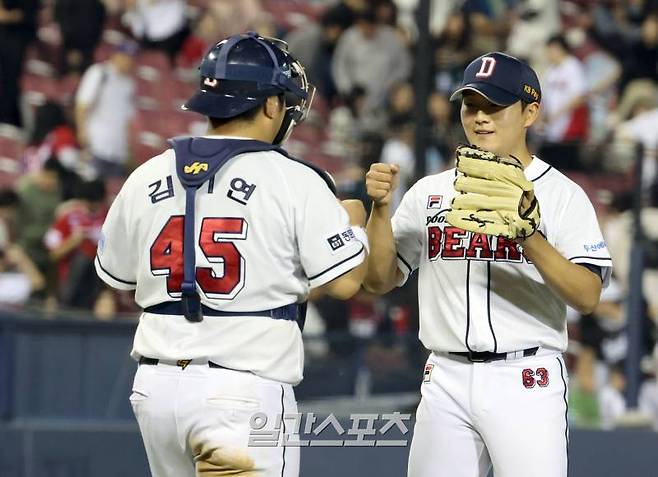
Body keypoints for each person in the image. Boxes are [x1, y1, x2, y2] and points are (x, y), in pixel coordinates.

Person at [95, 32, 368, 477]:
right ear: (271, 105)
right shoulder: (293, 178)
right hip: (241, 390)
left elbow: (118, 278)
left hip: (155, 387)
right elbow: (344, 283)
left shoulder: (146, 173)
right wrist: (355, 221)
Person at [364, 52, 612, 477]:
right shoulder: (430, 192)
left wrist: (528, 236)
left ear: (530, 112)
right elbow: (379, 280)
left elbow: (587, 295)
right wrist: (381, 211)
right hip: (445, 376)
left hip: (525, 376)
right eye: (471, 105)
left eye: (494, 106)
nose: (480, 117)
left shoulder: (561, 194)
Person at [75, 40, 137, 178]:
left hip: (117, 151)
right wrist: (82, 132)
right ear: (115, 55)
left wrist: (127, 149)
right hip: (96, 144)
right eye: (125, 57)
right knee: (91, 186)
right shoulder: (100, 73)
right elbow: (82, 104)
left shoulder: (129, 84)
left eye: (131, 58)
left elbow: (127, 119)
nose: (128, 61)